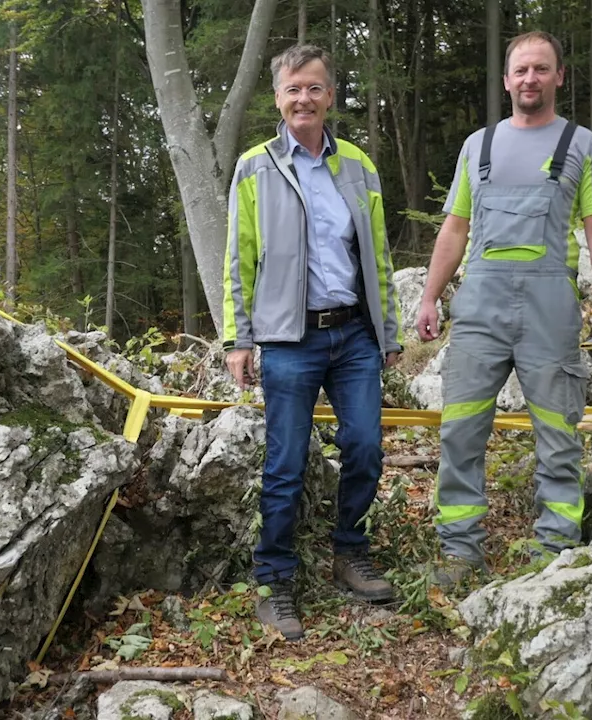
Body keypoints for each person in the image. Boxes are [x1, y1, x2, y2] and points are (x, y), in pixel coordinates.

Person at [414, 31, 592, 586]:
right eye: (520, 70)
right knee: (460, 431)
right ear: (506, 80)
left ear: (559, 77)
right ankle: (460, 551)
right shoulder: (476, 146)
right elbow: (455, 227)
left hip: (548, 308)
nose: (529, 78)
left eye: (541, 69)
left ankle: (556, 552)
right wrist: (430, 295)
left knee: (558, 432)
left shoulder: (582, 144)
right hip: (479, 309)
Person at [221, 44, 404, 640]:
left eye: (315, 88)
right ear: (278, 97)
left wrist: (389, 331)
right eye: (294, 88)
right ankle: (274, 580)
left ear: (330, 96)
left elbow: (376, 254)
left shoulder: (357, 164)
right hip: (288, 338)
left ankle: (349, 552)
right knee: (286, 462)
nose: (305, 98)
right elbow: (238, 261)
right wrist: (238, 339)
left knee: (366, 447)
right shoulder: (254, 167)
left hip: (353, 335)